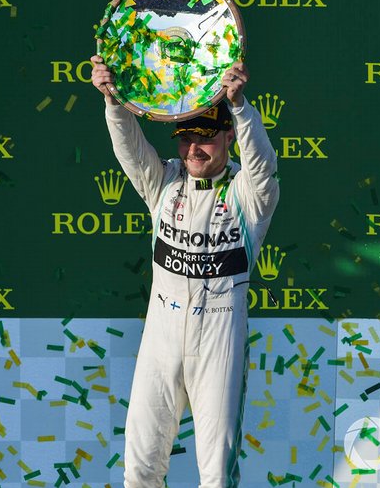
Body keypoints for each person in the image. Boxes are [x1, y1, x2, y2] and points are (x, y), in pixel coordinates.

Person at [90, 55, 279, 488]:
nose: (193, 148)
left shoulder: (250, 196)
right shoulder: (165, 184)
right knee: (139, 469)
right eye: (185, 137)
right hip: (162, 334)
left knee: (215, 475)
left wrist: (239, 105)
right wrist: (113, 101)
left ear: (228, 135)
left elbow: (262, 165)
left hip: (219, 337)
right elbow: (131, 150)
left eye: (205, 137)